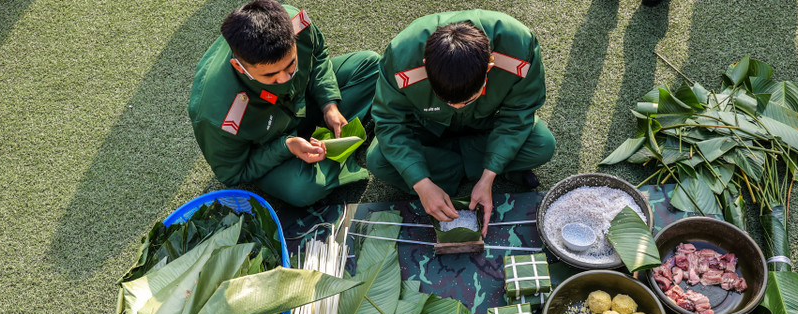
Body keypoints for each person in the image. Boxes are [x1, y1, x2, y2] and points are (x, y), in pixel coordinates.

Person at [367, 11, 556, 236]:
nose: (457, 107)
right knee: (377, 160)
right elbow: (389, 122)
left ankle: (450, 168)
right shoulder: (400, 55)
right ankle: (495, 167)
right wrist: (421, 184)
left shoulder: (520, 45)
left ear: (489, 67)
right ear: (426, 66)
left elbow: (518, 114)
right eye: (446, 100)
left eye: (468, 99)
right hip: (426, 127)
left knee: (542, 144)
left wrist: (489, 175)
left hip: (485, 124)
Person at [189, 0, 380, 208]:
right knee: (303, 189)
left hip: (302, 103)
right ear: (238, 66)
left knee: (370, 66)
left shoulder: (295, 22)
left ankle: (330, 148)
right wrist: (286, 146)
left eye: (291, 66)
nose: (284, 79)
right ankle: (338, 144)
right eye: (270, 76)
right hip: (271, 145)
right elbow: (234, 172)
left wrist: (329, 103)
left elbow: (318, 55)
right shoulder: (217, 113)